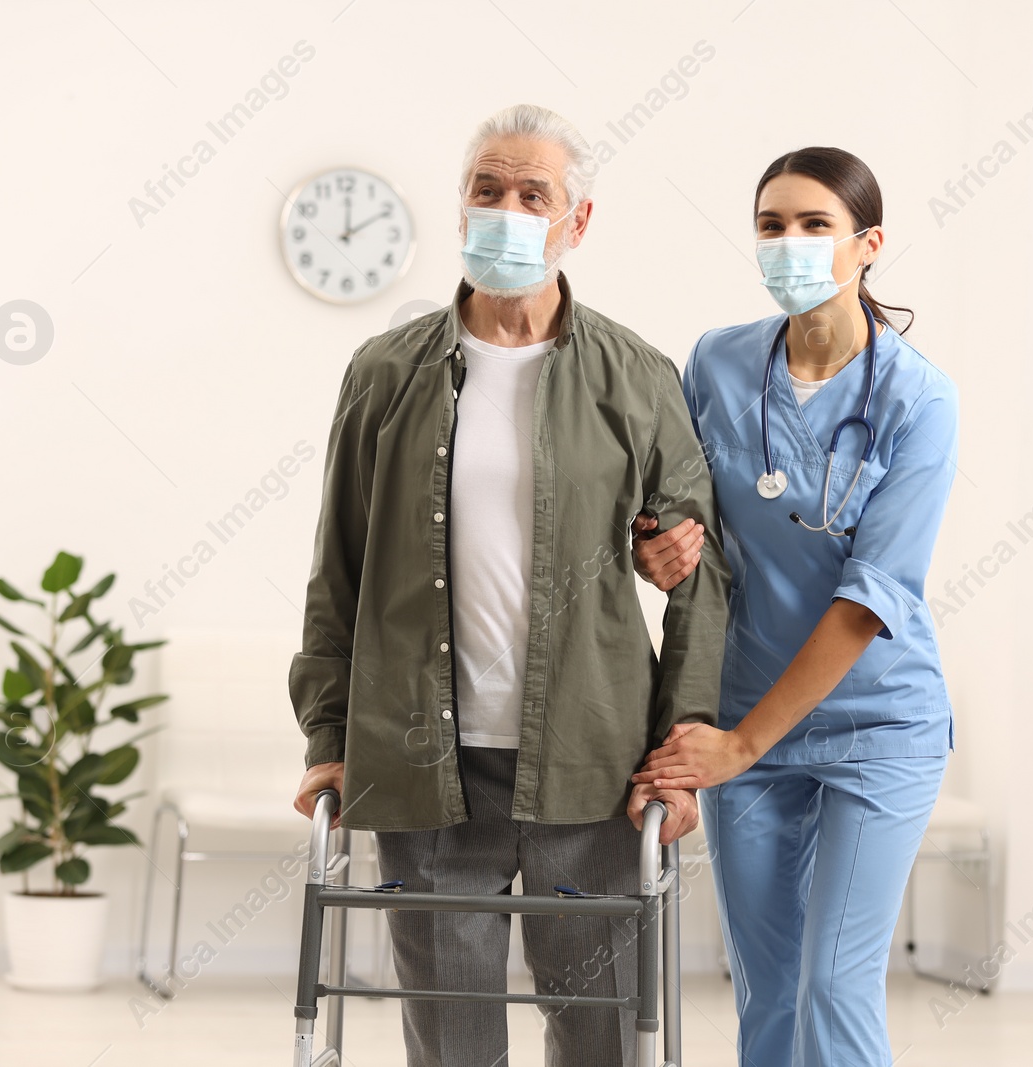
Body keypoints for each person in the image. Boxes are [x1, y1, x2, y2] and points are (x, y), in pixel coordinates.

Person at [288, 104, 729, 1067]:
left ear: (579, 221)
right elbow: (339, 572)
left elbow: (701, 575)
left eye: (535, 194)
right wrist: (328, 738)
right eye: (487, 189)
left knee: (602, 1027)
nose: (507, 209)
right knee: (449, 1035)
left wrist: (683, 746)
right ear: (460, 207)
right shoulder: (384, 374)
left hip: (593, 765)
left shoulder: (637, 377)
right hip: (422, 766)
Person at [630, 146, 959, 1067]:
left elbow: (870, 600)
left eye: (816, 224)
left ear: (868, 245)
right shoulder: (720, 361)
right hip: (746, 707)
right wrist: (653, 545)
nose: (790, 242)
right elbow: (677, 509)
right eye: (772, 225)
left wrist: (739, 745)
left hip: (874, 720)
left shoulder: (918, 399)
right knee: (767, 989)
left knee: (833, 984)